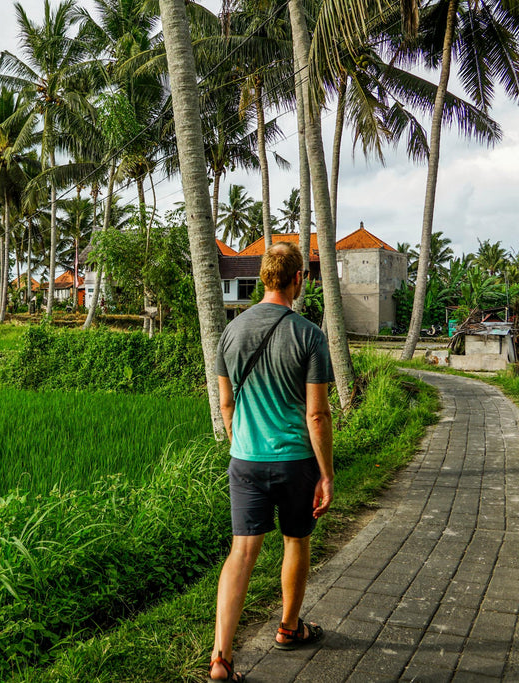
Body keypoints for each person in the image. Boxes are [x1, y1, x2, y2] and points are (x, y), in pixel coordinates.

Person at [208, 242, 335, 682]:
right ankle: (288, 628)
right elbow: (316, 414)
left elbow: (226, 404)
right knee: (295, 541)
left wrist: (242, 441)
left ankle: (221, 657)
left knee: (241, 551)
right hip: (295, 460)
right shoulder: (309, 335)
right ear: (299, 279)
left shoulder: (231, 331)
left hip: (245, 458)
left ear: (264, 277)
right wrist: (326, 474)